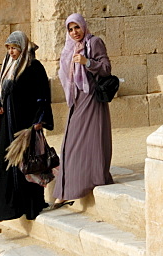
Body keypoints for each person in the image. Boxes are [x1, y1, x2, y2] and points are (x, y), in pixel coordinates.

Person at [0, 31, 53, 232]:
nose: (11, 51)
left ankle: (30, 206)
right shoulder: (7, 66)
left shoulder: (34, 67)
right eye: (9, 48)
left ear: (23, 48)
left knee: (26, 167)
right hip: (7, 126)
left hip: (25, 128)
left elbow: (43, 97)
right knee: (2, 166)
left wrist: (38, 122)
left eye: (14, 48)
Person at [53, 13, 113, 206]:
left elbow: (106, 68)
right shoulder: (69, 47)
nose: (74, 32)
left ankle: (86, 182)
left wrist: (87, 62)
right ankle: (66, 189)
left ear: (83, 26)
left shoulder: (94, 42)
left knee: (87, 141)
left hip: (91, 97)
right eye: (70, 29)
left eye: (77, 27)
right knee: (70, 143)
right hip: (77, 98)